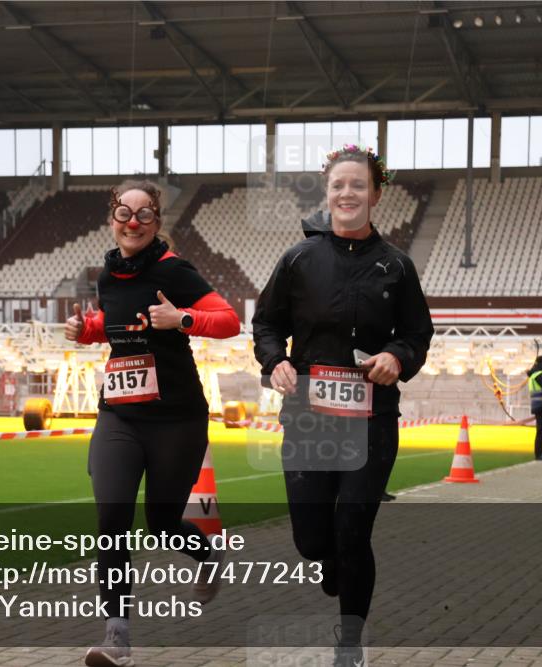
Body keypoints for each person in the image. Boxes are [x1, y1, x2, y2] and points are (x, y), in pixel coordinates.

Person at [252, 144, 433, 667]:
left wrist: (396, 357)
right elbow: (266, 324)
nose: (347, 193)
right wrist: (275, 362)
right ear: (327, 193)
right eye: (338, 185)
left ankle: (350, 646)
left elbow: (418, 334)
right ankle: (328, 556)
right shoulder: (297, 260)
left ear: (376, 193)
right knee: (313, 542)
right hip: (308, 418)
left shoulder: (396, 266)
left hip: (372, 421)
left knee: (354, 531)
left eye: (358, 185)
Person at [66, 181, 241, 667]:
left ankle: (207, 555)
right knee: (112, 521)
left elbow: (227, 321)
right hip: (119, 415)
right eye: (124, 211)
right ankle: (118, 637)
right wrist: (87, 331)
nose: (133, 221)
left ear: (157, 223)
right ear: (112, 219)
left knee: (161, 524)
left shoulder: (174, 271)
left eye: (144, 214)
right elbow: (117, 324)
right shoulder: (107, 273)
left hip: (176, 420)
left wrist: (181, 319)